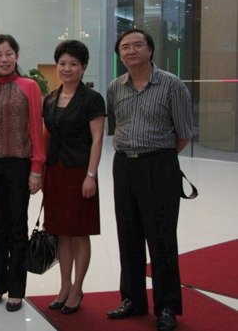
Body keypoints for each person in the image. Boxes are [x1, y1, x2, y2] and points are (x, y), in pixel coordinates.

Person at [106, 29, 193, 331]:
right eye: (125, 47)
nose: (131, 51)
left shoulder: (171, 85)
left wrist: (158, 158)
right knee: (128, 235)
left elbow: (183, 134)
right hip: (124, 166)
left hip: (159, 166)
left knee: (162, 238)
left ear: (150, 50)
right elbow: (116, 125)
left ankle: (167, 306)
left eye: (137, 45)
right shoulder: (115, 87)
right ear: (120, 54)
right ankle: (132, 300)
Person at [0, 34, 45, 312]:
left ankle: (17, 288)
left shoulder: (29, 86)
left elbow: (36, 130)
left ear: (16, 56)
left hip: (20, 166)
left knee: (18, 227)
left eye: (9, 54)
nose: (4, 59)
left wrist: (37, 169)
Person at [42, 40, 105, 314]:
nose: (67, 69)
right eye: (62, 63)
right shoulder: (50, 98)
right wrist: (40, 172)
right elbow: (46, 137)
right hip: (55, 171)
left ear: (84, 67)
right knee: (61, 232)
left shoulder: (92, 99)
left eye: (73, 64)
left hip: (80, 171)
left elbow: (98, 139)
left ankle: (78, 288)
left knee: (79, 232)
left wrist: (91, 175)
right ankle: (64, 285)